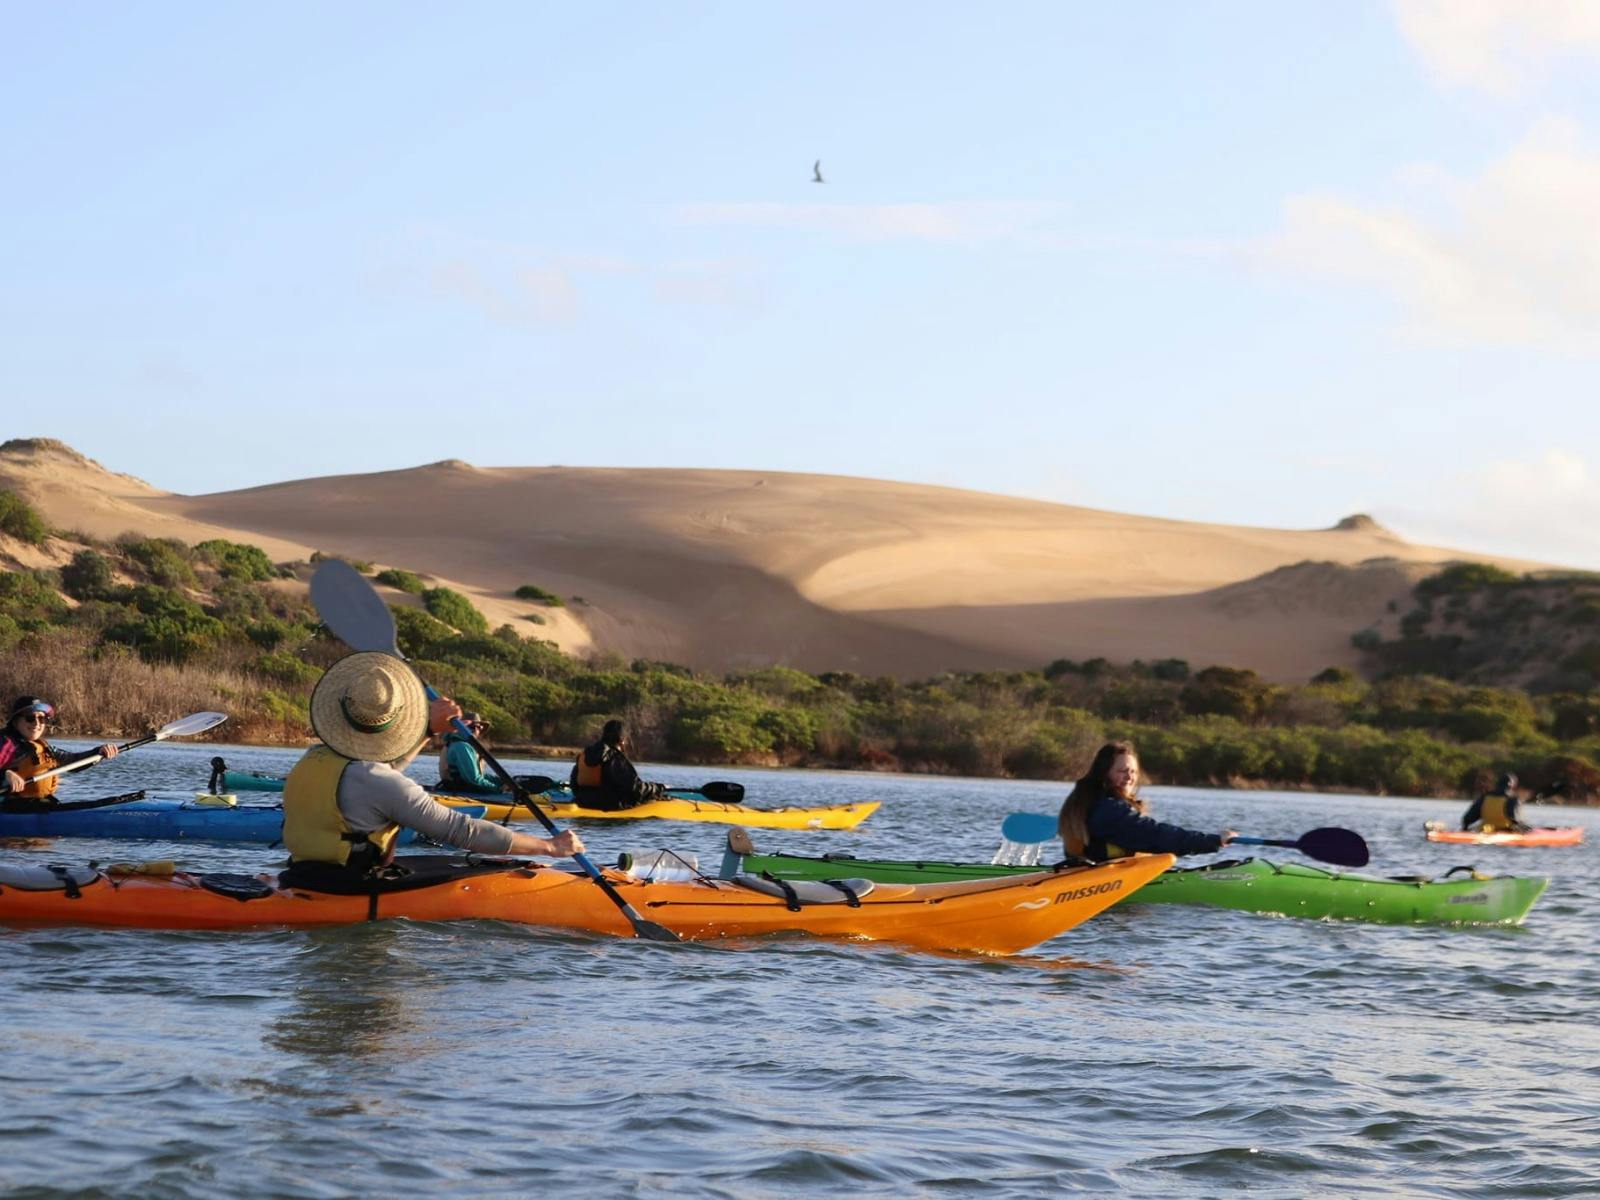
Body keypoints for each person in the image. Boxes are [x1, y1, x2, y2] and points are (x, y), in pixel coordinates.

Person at [282, 652, 583, 879]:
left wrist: (428, 731)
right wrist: (550, 847)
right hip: (352, 885)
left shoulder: (314, 757)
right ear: (396, 720)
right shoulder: (380, 783)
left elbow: (374, 775)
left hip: (301, 874)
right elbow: (462, 832)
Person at [1057, 740, 1235, 861]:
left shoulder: (1087, 799)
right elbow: (1156, 836)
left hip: (1096, 874)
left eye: (1133, 772)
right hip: (1104, 883)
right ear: (1104, 773)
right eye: (1122, 771)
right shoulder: (1107, 809)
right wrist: (1212, 840)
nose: (1130, 778)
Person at [0, 696, 120, 806]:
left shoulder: (44, 747)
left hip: (40, 805)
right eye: (30, 718)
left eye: (41, 719)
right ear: (15, 722)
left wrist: (99, 752)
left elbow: (73, 762)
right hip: (11, 808)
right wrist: (6, 774)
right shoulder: (6, 743)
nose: (37, 723)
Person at [570, 719, 666, 811]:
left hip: (581, 802)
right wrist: (658, 788)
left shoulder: (584, 754)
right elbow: (635, 789)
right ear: (622, 740)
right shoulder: (613, 756)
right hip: (608, 805)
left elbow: (574, 786)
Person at [436, 711, 505, 795]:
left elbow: (479, 776)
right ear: (463, 727)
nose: (476, 729)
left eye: (479, 727)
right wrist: (498, 790)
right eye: (472, 726)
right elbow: (473, 779)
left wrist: (501, 782)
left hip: (460, 789)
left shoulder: (457, 743)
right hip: (461, 791)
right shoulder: (462, 747)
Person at [1461, 773, 1529, 834]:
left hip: (1485, 830)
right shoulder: (1512, 799)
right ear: (1511, 785)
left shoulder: (1485, 798)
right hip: (1506, 831)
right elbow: (1516, 820)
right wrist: (1527, 830)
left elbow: (1467, 819)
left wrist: (1465, 829)